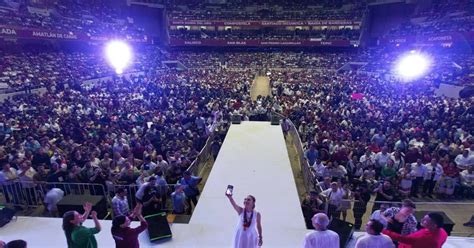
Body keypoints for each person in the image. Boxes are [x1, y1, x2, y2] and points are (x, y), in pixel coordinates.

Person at [383, 212, 448, 248]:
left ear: (434, 225)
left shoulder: (424, 238)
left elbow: (402, 239)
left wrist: (383, 231)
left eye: (426, 220)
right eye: (424, 218)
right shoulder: (443, 232)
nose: (422, 220)